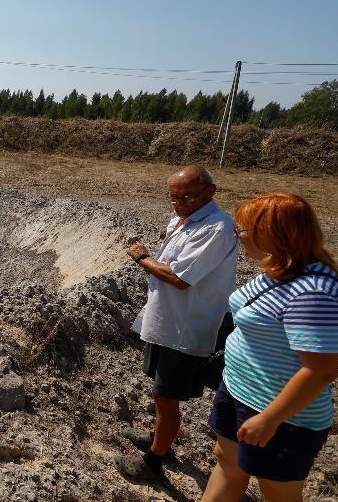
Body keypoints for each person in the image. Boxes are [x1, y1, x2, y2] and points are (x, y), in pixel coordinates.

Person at [201, 193, 338, 502]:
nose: (238, 234)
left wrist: (270, 419)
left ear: (273, 234)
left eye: (244, 228)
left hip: (283, 416)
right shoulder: (279, 269)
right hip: (241, 391)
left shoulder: (313, 292)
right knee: (228, 464)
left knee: (278, 492)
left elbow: (321, 370)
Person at [115, 165, 239, 479]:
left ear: (210, 192)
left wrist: (142, 259)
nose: (178, 203)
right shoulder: (182, 219)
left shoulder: (217, 227)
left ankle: (154, 462)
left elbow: (180, 278)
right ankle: (160, 440)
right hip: (166, 320)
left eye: (186, 197)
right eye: (173, 198)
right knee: (160, 391)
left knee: (167, 397)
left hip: (187, 327)